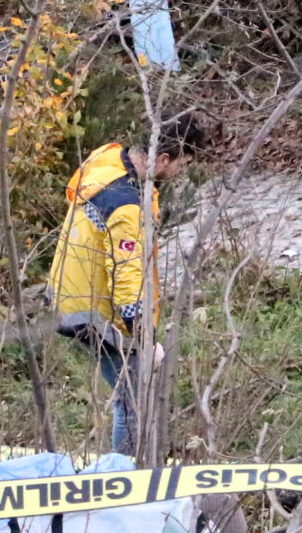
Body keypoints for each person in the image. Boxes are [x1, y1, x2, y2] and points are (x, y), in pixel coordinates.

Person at [49, 114, 204, 454]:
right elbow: (126, 276)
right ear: (164, 159)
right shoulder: (127, 204)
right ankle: (128, 474)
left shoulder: (107, 158)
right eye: (183, 165)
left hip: (70, 295)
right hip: (95, 312)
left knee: (130, 391)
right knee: (134, 397)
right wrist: (144, 338)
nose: (182, 174)